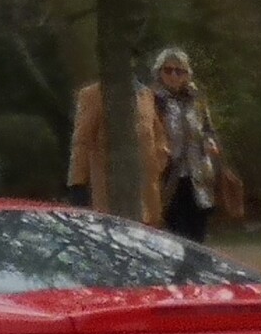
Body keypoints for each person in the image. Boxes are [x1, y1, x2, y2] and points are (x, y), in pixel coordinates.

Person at [64, 49, 238, 239]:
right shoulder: (151, 97)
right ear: (158, 72)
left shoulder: (189, 99)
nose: (173, 75)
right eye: (168, 70)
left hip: (195, 178)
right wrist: (78, 184)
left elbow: (187, 132)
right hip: (162, 183)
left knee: (194, 237)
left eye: (180, 71)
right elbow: (81, 142)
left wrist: (206, 142)